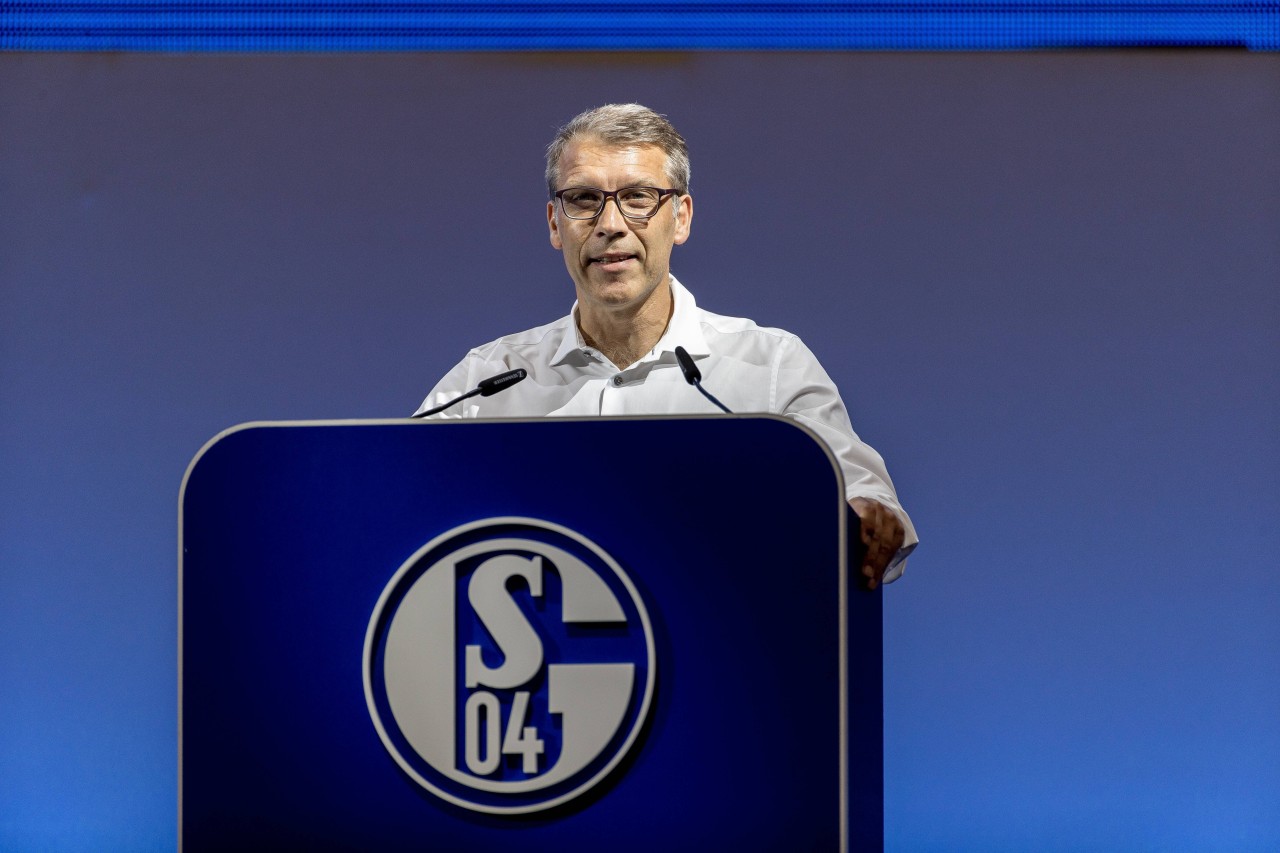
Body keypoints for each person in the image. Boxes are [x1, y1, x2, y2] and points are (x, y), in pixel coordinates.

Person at [415, 103, 917, 587]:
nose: (610, 225)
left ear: (680, 218)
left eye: (637, 197)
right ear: (554, 223)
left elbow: (863, 497)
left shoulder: (768, 368)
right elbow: (398, 497)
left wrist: (865, 518)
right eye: (584, 200)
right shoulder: (486, 384)